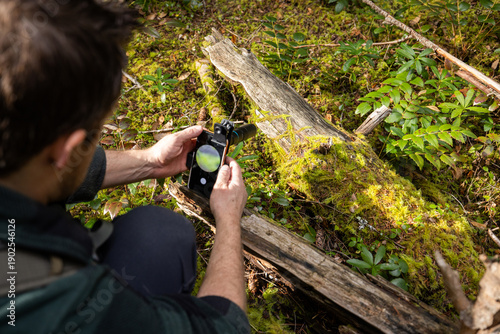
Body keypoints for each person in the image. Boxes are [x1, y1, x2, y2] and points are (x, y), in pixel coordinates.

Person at [0, 0, 249, 333]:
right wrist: (230, 220)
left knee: (159, 233)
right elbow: (225, 329)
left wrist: (149, 162)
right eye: (97, 131)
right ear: (67, 149)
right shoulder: (58, 298)